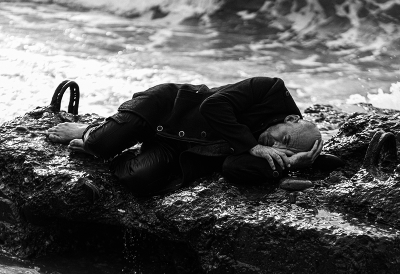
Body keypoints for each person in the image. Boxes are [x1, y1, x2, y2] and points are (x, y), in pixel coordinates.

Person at [47, 76, 327, 196]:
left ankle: (121, 146)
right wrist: (252, 146)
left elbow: (232, 167)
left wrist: (289, 165)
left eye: (284, 150)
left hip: (180, 148)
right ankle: (90, 132)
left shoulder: (273, 150)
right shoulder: (269, 89)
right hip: (165, 108)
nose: (274, 145)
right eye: (283, 139)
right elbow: (214, 105)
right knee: (99, 143)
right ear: (291, 119)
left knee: (137, 179)